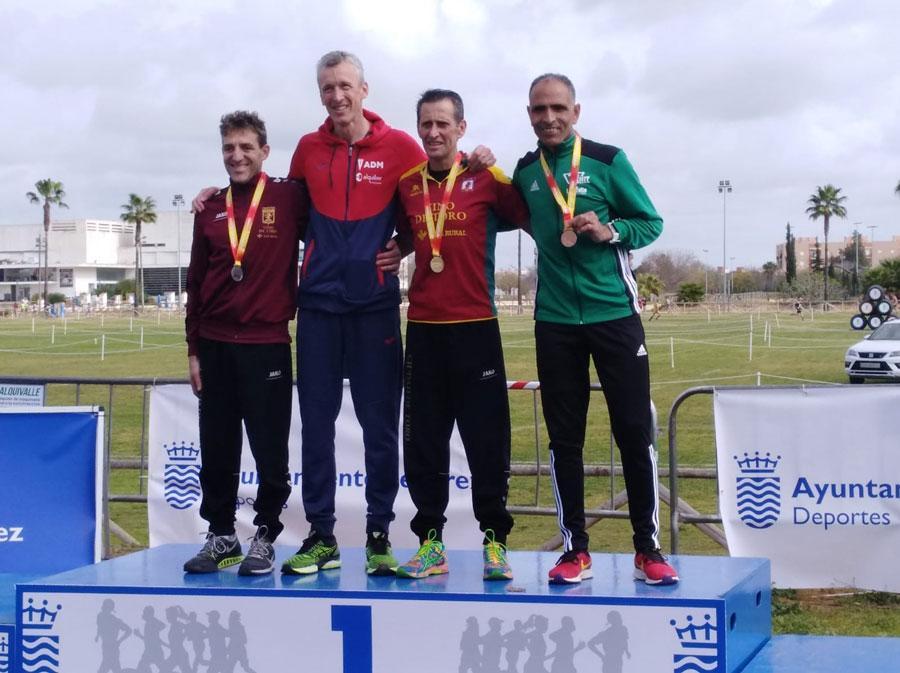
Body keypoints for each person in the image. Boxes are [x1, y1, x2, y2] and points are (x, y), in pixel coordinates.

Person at [278, 52, 494, 576]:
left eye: (345, 86)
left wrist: (404, 244)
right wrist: (214, 196)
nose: (337, 96)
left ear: (364, 89)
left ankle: (379, 533)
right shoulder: (308, 149)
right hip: (319, 309)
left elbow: (430, 204)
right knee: (317, 426)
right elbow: (286, 212)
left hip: (375, 307)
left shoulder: (399, 146)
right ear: (320, 93)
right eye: (327, 87)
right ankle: (321, 534)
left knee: (380, 425)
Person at [512, 73, 678, 585]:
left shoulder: (608, 161)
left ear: (576, 111)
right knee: (565, 438)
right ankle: (573, 549)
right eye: (539, 109)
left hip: (614, 316)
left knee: (633, 430)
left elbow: (650, 221)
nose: (549, 117)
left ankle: (647, 548)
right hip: (555, 322)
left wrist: (612, 231)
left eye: (558, 107)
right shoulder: (525, 173)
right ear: (530, 114)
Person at [393, 89, 528, 581]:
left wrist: (499, 166)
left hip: (477, 328)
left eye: (442, 124)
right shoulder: (407, 185)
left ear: (461, 128)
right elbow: (403, 232)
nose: (433, 133)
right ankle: (431, 545)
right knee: (424, 443)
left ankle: (496, 542)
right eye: (425, 124)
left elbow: (530, 215)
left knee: (486, 441)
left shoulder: (485, 177)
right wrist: (394, 249)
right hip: (424, 330)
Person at [183, 110, 308, 576]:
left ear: (265, 152)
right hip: (214, 345)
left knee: (269, 448)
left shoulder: (290, 197)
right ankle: (220, 536)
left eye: (246, 148)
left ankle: (266, 534)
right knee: (216, 449)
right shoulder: (210, 208)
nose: (237, 156)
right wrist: (193, 350)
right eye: (229, 149)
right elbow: (195, 283)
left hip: (267, 343)